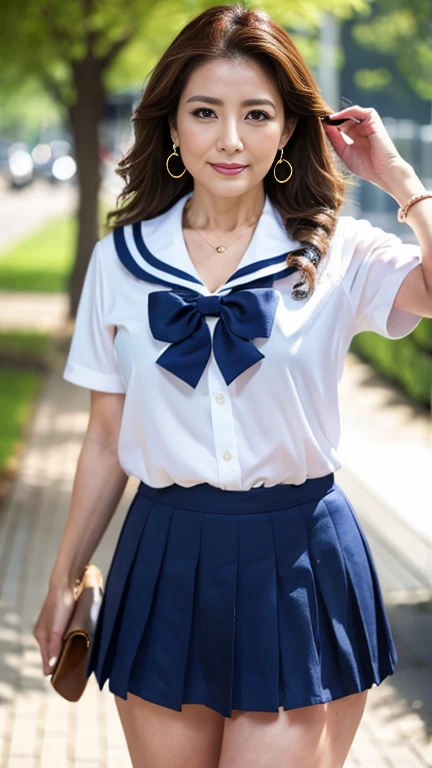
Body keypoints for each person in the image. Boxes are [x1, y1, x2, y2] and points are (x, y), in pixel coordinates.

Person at [33, 4, 432, 767]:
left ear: (286, 131)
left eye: (256, 114)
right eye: (205, 112)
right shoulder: (119, 264)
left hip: (299, 560)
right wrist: (60, 579)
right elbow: (106, 438)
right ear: (172, 126)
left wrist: (398, 178)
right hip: (165, 556)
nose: (229, 139)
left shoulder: (335, 247)